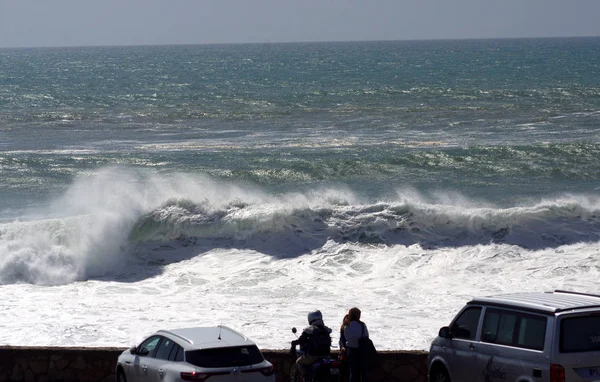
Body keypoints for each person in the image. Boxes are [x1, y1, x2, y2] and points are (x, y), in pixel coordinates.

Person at [292, 310, 332, 381]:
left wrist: (293, 343)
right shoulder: (326, 329)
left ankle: (306, 377)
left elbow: (301, 340)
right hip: (326, 356)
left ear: (310, 318)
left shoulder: (309, 329)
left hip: (313, 356)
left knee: (298, 362)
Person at [343, 307, 369, 382]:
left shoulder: (346, 326)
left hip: (351, 351)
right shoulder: (362, 325)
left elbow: (347, 338)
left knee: (353, 373)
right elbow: (366, 336)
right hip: (362, 350)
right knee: (363, 373)